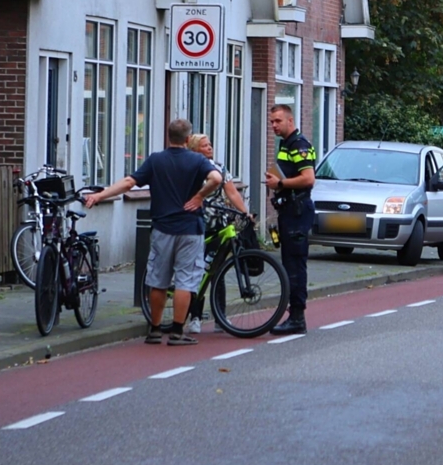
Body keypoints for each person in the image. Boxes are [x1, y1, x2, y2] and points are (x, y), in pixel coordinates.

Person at [83, 119, 222, 345]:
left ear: (169, 137)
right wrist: (199, 197)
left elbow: (129, 183)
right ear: (188, 139)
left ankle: (155, 329)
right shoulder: (197, 160)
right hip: (190, 228)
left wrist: (99, 196)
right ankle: (177, 332)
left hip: (162, 228)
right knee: (185, 280)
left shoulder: (156, 160)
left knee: (158, 280)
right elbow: (216, 178)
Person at [184, 133, 251, 334]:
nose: (209, 148)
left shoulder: (220, 168)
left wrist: (245, 212)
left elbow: (231, 192)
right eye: (204, 145)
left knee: (217, 271)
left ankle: (220, 317)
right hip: (196, 223)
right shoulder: (190, 168)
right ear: (195, 149)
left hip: (218, 224)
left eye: (210, 144)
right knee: (197, 271)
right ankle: (194, 316)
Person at [265, 104, 315, 335]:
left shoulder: (299, 144)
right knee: (289, 263)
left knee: (294, 264)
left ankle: (297, 317)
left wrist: (280, 184)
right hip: (290, 211)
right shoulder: (286, 144)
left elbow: (308, 179)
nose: (273, 125)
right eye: (272, 121)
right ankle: (294, 313)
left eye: (277, 121)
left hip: (297, 211)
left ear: (290, 120)